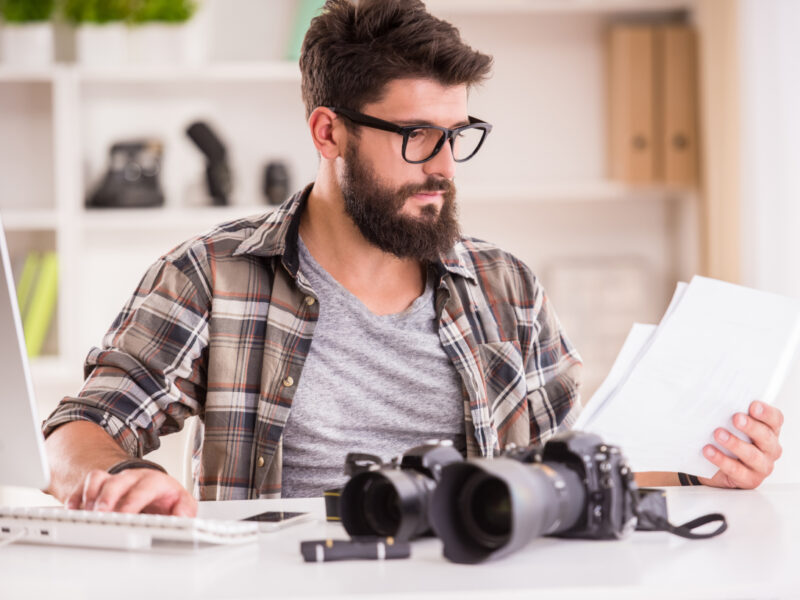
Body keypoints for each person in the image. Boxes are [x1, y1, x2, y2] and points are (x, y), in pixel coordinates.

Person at [42, 0, 783, 517]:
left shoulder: (505, 287)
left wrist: (698, 467)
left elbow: (565, 466)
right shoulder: (212, 274)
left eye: (455, 135)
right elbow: (83, 428)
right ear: (328, 133)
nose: (445, 168)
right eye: (416, 137)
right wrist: (120, 479)